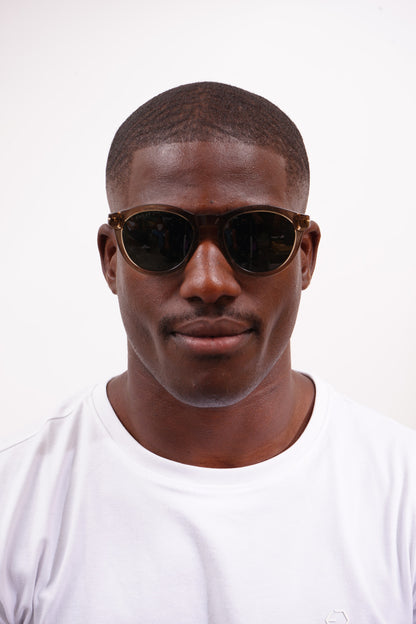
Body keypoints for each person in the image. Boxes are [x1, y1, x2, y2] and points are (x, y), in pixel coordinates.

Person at [0, 82, 415, 624]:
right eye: (158, 237)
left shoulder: (403, 496)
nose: (209, 282)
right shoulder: (14, 506)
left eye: (256, 235)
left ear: (306, 256)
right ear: (111, 259)